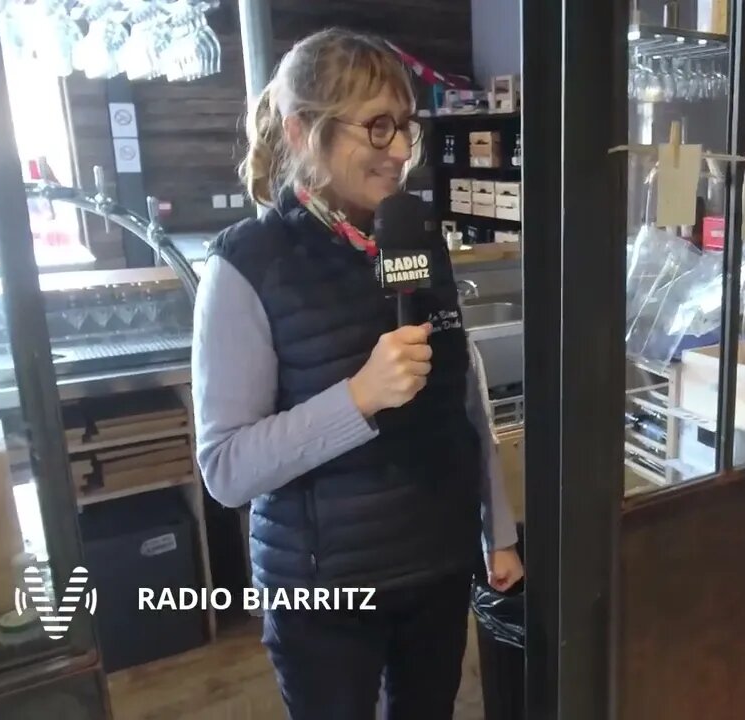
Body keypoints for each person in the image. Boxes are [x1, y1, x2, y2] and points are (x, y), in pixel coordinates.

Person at [190, 28, 523, 720]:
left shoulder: (414, 236)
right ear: (304, 130)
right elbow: (226, 467)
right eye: (377, 128)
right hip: (325, 595)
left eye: (406, 127)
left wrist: (499, 528)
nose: (400, 151)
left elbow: (463, 395)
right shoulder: (245, 265)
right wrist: (359, 398)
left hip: (436, 566)